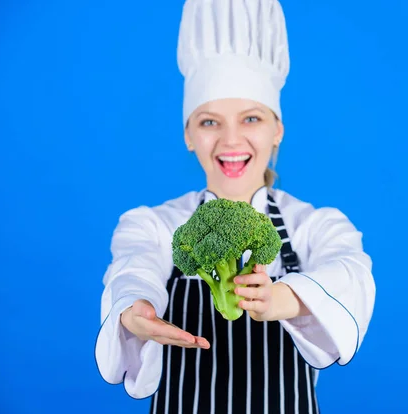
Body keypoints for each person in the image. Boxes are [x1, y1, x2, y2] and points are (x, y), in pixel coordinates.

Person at [94, 0, 376, 412]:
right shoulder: (153, 224)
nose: (230, 141)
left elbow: (351, 275)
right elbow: (133, 269)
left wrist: (284, 299)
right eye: (209, 122)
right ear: (188, 134)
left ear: (277, 129)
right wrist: (135, 309)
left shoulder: (315, 226)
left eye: (251, 119)